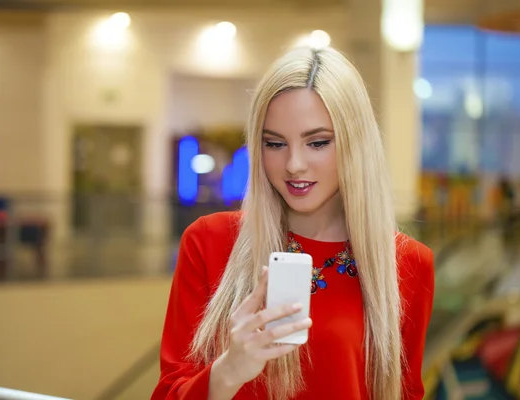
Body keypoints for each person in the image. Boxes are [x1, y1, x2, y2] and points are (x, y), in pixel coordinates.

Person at [152, 46, 435, 400]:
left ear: (355, 143)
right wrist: (227, 373)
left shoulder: (408, 263)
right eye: (275, 143)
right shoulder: (209, 241)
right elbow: (168, 391)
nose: (293, 164)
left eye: (317, 142)